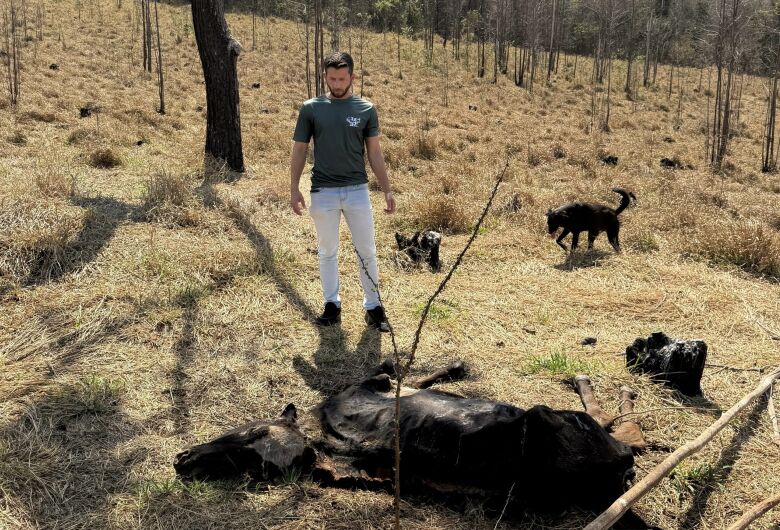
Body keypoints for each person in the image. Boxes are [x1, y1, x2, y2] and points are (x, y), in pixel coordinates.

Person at [290, 51, 396, 332]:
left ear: (352, 77)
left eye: (342, 79)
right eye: (332, 78)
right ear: (325, 76)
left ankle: (373, 307)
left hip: (357, 190)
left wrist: (387, 189)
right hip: (322, 191)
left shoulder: (366, 109)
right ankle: (331, 306)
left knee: (367, 250)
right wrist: (294, 187)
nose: (337, 84)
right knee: (327, 251)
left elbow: (374, 153)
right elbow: (299, 149)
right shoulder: (311, 109)